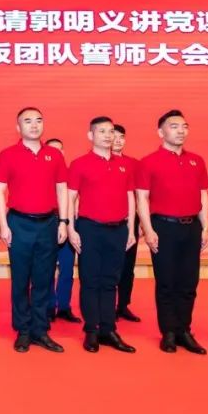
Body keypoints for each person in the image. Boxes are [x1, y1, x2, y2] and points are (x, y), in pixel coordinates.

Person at [136, 110, 208, 355]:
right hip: (163, 227)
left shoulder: (197, 161)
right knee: (166, 282)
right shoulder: (148, 161)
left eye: (184, 126)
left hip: (192, 227)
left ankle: (184, 330)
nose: (181, 131)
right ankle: (168, 331)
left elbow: (203, 194)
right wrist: (148, 229)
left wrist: (206, 226)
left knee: (189, 282)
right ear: (161, 132)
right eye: (174, 126)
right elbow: (142, 198)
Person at [0, 109, 68, 353]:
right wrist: (3, 224)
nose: (34, 125)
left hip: (48, 223)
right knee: (20, 279)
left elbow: (62, 189)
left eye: (38, 120)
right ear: (18, 127)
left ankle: (40, 330)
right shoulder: (7, 155)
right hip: (19, 224)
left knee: (44, 279)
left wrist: (64, 222)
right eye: (28, 121)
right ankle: (23, 330)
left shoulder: (54, 155)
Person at [67, 116, 137, 354]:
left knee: (111, 281)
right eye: (102, 131)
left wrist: (130, 228)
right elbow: (70, 198)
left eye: (111, 131)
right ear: (91, 135)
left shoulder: (124, 165)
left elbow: (130, 197)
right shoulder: (79, 164)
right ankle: (91, 330)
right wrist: (70, 228)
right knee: (90, 280)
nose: (108, 136)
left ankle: (108, 329)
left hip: (118, 229)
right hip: (90, 229)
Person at [45, 137, 79, 324]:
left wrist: (71, 224)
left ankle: (64, 306)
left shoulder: (71, 172)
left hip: (69, 223)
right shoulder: (41, 172)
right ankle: (49, 306)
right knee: (47, 268)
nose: (56, 152)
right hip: (47, 223)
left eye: (60, 149)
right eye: (52, 149)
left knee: (67, 268)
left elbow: (76, 198)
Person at [111, 125, 142, 323]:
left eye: (122, 137)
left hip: (129, 220)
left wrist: (139, 223)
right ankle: (107, 305)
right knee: (109, 266)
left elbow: (140, 195)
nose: (118, 140)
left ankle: (123, 305)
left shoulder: (134, 164)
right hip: (106, 221)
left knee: (127, 266)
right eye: (114, 136)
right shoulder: (101, 161)